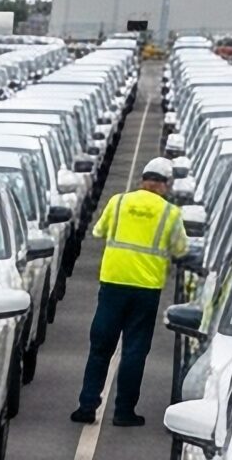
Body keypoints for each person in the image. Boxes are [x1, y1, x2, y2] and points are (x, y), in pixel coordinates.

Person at [72, 153, 189, 427]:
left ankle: (87, 406)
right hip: (146, 290)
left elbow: (99, 232)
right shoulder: (171, 214)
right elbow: (181, 249)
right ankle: (123, 412)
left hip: (113, 284)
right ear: (165, 184)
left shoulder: (119, 201)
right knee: (134, 351)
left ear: (143, 180)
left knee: (101, 346)